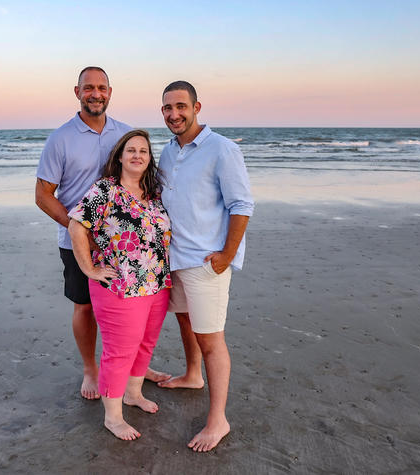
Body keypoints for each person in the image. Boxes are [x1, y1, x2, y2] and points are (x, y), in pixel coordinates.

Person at [35, 67, 170, 400]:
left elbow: (146, 178)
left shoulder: (125, 135)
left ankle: (135, 366)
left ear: (110, 92)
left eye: (101, 88)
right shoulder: (61, 138)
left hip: (127, 248)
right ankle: (90, 370)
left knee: (138, 306)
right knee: (84, 306)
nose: (95, 94)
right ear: (77, 91)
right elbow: (43, 195)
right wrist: (79, 228)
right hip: (78, 242)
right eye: (88, 88)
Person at [157, 80, 254, 452]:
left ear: (197, 107)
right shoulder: (166, 151)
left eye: (181, 106)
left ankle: (218, 420)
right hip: (174, 259)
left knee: (211, 339)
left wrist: (227, 255)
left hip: (205, 262)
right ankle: (192, 375)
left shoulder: (222, 149)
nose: (174, 114)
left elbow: (242, 205)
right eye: (167, 108)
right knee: (185, 321)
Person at [67, 129, 171, 440]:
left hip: (157, 284)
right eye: (131, 150)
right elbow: (76, 226)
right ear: (120, 157)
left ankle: (133, 394)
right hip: (120, 287)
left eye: (144, 150)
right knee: (119, 351)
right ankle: (113, 417)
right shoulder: (105, 190)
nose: (138, 155)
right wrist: (89, 269)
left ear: (149, 159)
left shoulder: (153, 195)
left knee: (145, 344)